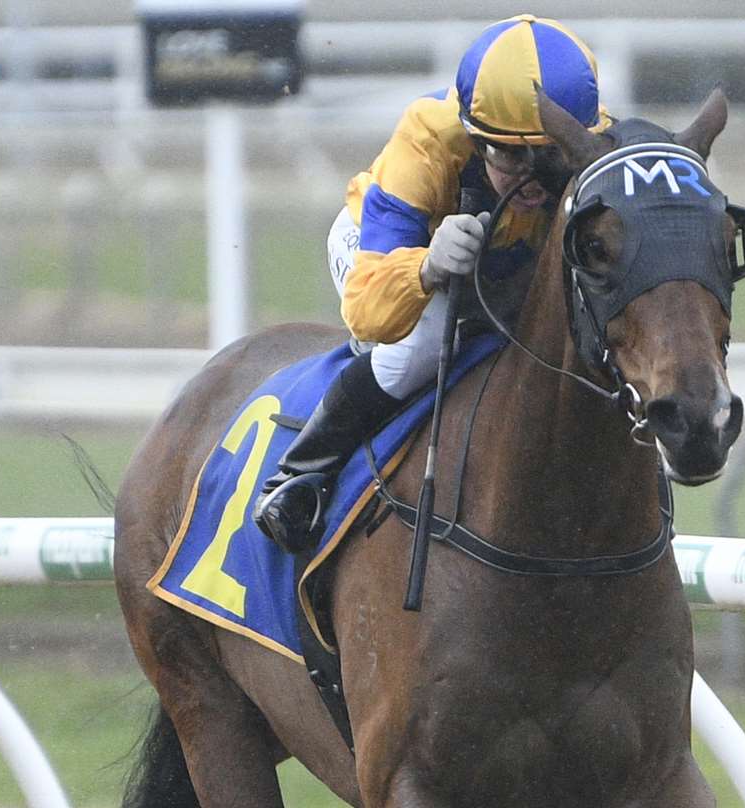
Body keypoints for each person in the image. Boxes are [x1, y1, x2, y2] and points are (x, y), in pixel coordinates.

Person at [253, 14, 609, 552]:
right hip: (384, 249)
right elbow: (368, 310)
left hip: (510, 265)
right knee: (417, 348)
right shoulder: (427, 138)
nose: (533, 175)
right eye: (511, 154)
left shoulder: (595, 141)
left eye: (551, 154)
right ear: (475, 139)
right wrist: (427, 266)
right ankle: (300, 475)